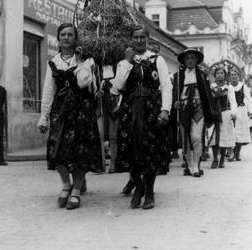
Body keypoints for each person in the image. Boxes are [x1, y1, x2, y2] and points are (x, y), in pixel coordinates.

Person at [38, 23, 103, 210]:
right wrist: (44, 117)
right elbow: (48, 91)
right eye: (63, 35)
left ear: (76, 38)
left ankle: (76, 190)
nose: (66, 38)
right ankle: (66, 185)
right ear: (58, 38)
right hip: (61, 111)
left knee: (80, 151)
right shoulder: (53, 62)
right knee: (56, 150)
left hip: (82, 110)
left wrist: (81, 63)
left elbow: (84, 83)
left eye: (70, 35)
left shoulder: (86, 60)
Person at [114, 25, 172, 209]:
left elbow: (166, 86)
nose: (139, 41)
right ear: (131, 40)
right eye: (135, 38)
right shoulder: (124, 62)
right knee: (132, 149)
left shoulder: (157, 59)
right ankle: (138, 187)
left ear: (147, 39)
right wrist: (128, 62)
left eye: (142, 37)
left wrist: (165, 109)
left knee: (150, 150)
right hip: (130, 110)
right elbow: (117, 86)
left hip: (151, 108)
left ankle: (149, 192)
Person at [173, 48, 218, 177]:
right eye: (188, 58)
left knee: (197, 138)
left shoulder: (203, 76)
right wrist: (174, 103)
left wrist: (210, 110)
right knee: (185, 139)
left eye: (193, 58)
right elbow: (175, 93)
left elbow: (208, 95)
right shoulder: (178, 76)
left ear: (197, 60)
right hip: (183, 109)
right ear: (184, 60)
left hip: (198, 109)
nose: (190, 60)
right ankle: (189, 165)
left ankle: (196, 166)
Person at [209, 66, 237, 169]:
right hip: (214, 114)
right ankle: (215, 159)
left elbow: (233, 101)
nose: (219, 75)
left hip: (225, 114)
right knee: (213, 135)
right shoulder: (211, 86)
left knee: (224, 136)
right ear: (215, 75)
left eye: (221, 73)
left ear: (225, 75)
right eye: (217, 73)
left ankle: (221, 160)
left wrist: (234, 112)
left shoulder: (229, 87)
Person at [228, 68, 252, 162]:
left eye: (235, 75)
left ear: (238, 76)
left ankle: (237, 154)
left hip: (241, 111)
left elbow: (248, 99)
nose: (234, 76)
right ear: (229, 77)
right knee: (231, 132)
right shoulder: (228, 87)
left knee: (239, 133)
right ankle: (231, 153)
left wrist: (251, 110)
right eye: (232, 75)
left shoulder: (243, 86)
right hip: (230, 110)